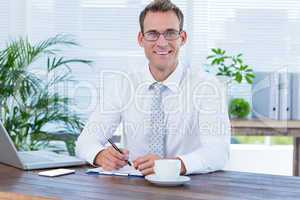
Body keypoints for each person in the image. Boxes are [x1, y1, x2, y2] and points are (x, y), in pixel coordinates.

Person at [75, 0, 231, 176]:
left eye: (170, 33)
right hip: (135, 187)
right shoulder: (122, 84)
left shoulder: (207, 87)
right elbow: (85, 141)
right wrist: (100, 155)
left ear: (183, 38)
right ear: (141, 39)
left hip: (190, 188)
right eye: (152, 34)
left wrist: (173, 165)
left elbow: (218, 152)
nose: (162, 43)